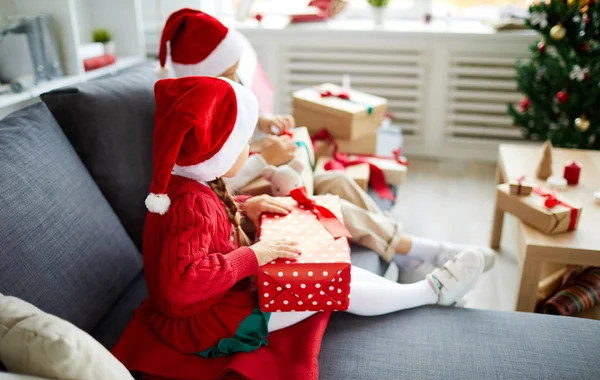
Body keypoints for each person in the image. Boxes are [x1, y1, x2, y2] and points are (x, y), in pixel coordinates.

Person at [143, 75, 486, 356]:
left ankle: (427, 278)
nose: (251, 149)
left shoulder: (190, 184)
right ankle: (432, 291)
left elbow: (210, 222)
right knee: (333, 284)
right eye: (244, 143)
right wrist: (255, 255)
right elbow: (181, 284)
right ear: (216, 153)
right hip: (208, 320)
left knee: (337, 271)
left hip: (216, 299)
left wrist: (247, 205)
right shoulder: (190, 203)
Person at [155, 8, 496, 279]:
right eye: (226, 76)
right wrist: (264, 159)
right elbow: (211, 186)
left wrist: (263, 123)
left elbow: (229, 124)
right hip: (241, 199)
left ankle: (399, 248)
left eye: (234, 73)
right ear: (199, 76)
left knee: (338, 180)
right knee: (333, 205)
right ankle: (420, 250)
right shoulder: (181, 130)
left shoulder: (207, 100)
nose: (235, 81)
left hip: (258, 184)